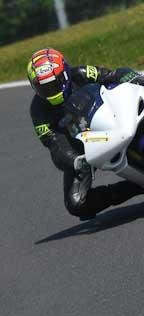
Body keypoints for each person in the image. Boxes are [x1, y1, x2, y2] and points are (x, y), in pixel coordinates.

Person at [27, 48, 144, 220]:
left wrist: (132, 78)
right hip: (82, 146)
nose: (51, 92)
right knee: (77, 203)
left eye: (54, 84)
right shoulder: (38, 111)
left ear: (65, 75)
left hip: (108, 114)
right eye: (44, 88)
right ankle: (136, 186)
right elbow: (54, 143)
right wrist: (74, 160)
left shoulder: (80, 73)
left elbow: (110, 75)